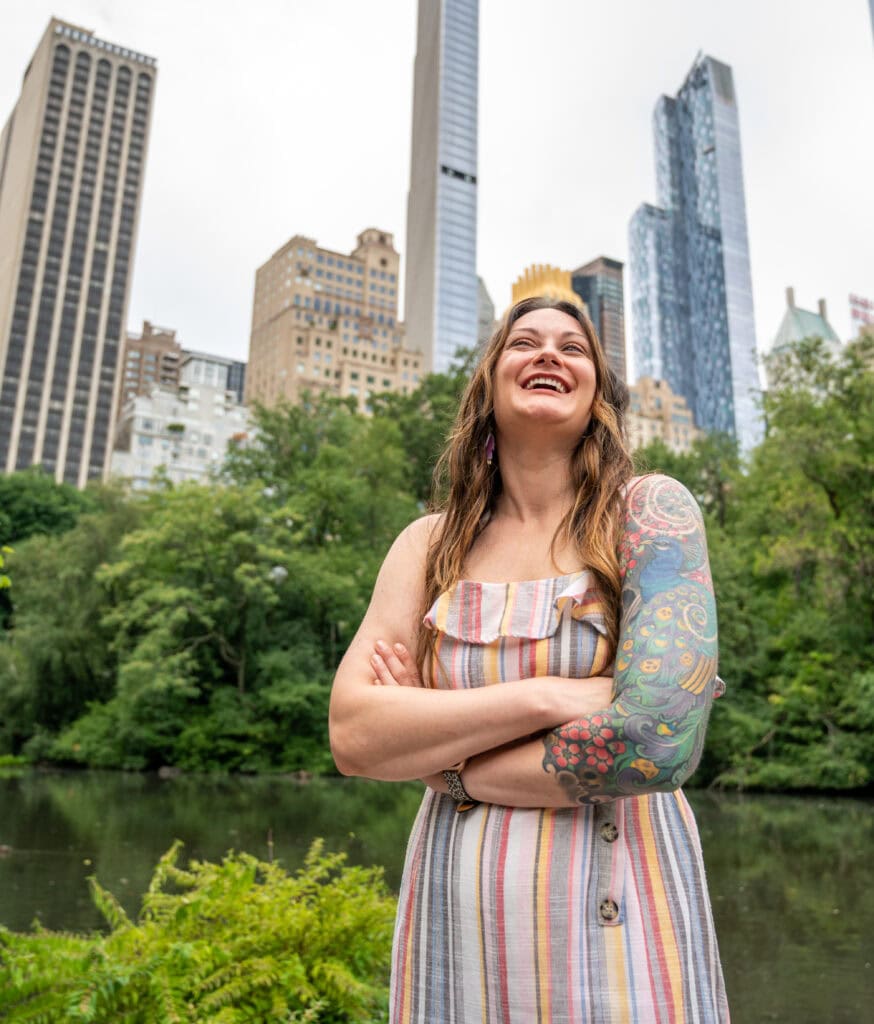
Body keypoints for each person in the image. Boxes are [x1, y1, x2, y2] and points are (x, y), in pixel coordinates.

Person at [329, 296, 729, 1023]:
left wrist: (447, 767)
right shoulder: (428, 546)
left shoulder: (649, 515)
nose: (549, 353)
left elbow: (658, 740)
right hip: (458, 928)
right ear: (487, 383)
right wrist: (551, 697)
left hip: (622, 920)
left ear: (599, 395)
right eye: (525, 342)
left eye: (573, 347)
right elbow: (356, 735)